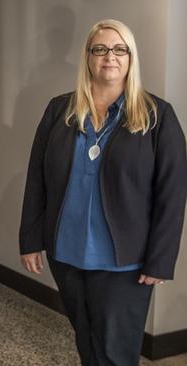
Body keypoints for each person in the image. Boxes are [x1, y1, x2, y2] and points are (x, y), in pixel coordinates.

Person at [20, 19, 186, 365]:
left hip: (125, 262)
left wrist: (161, 259)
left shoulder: (158, 116)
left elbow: (172, 194)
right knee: (88, 343)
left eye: (119, 49)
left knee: (116, 353)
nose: (110, 56)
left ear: (130, 58)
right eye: (100, 49)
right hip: (66, 254)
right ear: (88, 58)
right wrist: (31, 238)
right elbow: (37, 178)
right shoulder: (59, 110)